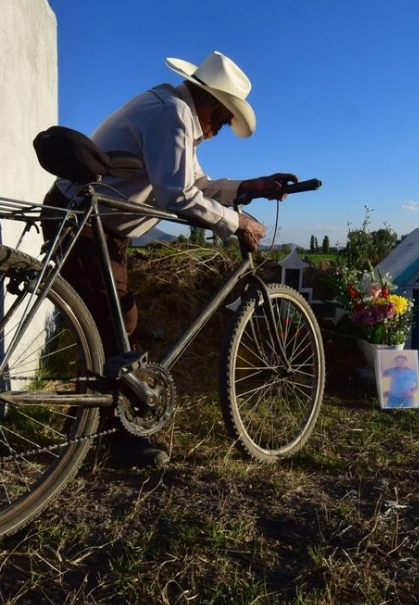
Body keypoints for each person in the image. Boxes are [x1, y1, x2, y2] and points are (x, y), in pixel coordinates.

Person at [41, 51, 296, 467]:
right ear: (214, 105)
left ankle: (89, 425)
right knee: (114, 328)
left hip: (97, 225)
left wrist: (250, 186)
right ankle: (117, 439)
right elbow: (178, 196)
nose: (218, 132)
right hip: (84, 223)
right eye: (224, 122)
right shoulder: (173, 114)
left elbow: (195, 183)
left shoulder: (170, 109)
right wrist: (237, 224)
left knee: (116, 326)